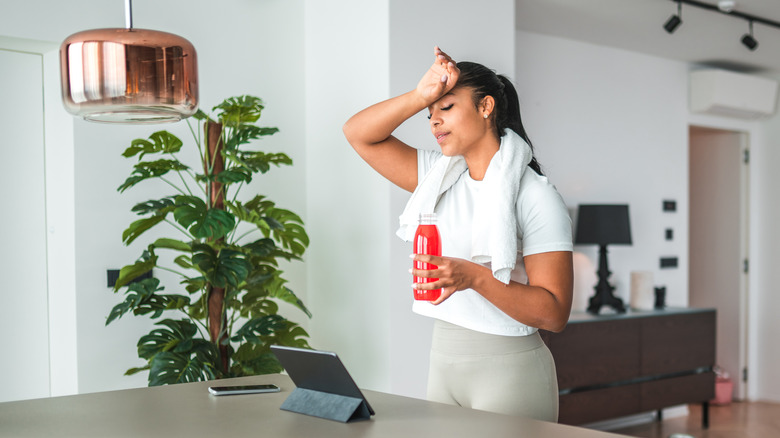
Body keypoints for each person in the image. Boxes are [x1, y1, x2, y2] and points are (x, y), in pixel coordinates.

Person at [342, 47, 573, 422]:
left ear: (486, 108)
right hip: (443, 362)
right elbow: (358, 133)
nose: (433, 121)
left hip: (510, 371)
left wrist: (475, 277)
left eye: (445, 108)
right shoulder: (438, 178)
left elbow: (555, 313)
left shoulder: (536, 196)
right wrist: (422, 95)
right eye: (429, 114)